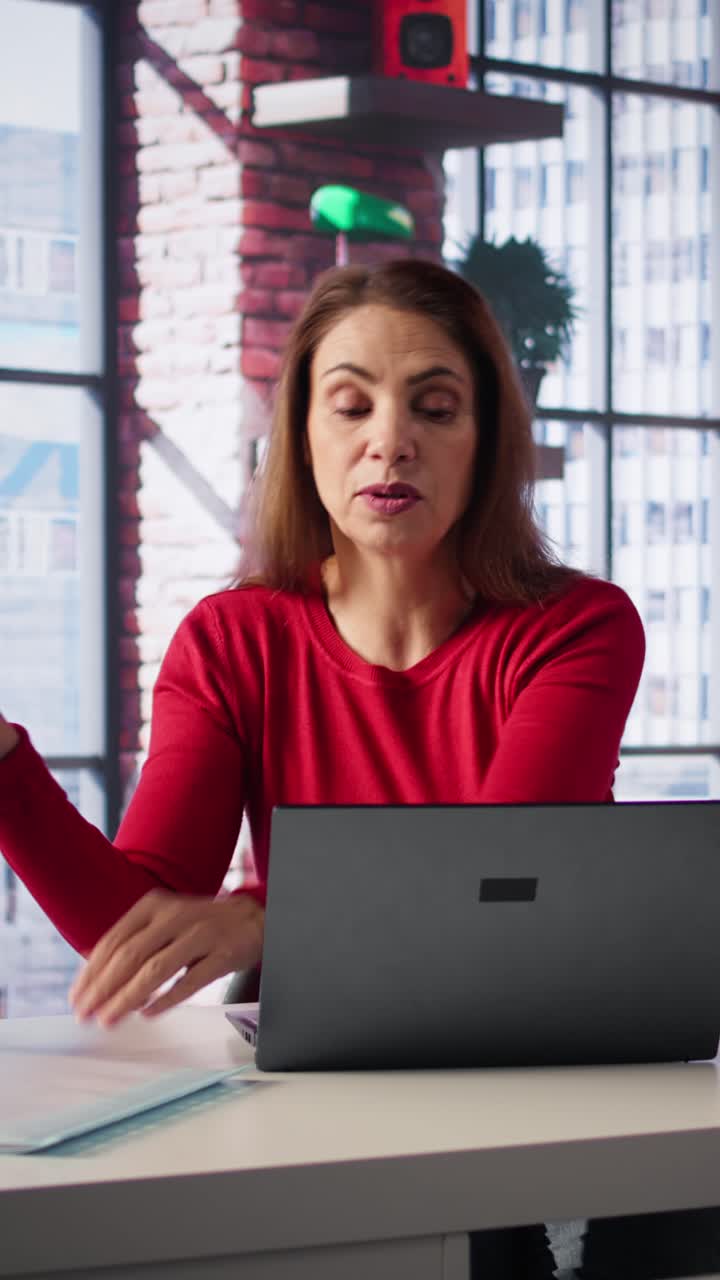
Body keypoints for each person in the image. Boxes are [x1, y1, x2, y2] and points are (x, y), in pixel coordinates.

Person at [0, 256, 698, 1279]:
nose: (391, 440)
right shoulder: (231, 640)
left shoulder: (578, 626)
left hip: (542, 1074)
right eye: (351, 404)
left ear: (485, 441)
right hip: (338, 1093)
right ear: (303, 438)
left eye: (436, 407)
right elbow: (142, 928)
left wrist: (268, 918)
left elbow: (496, 882)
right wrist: (6, 767)